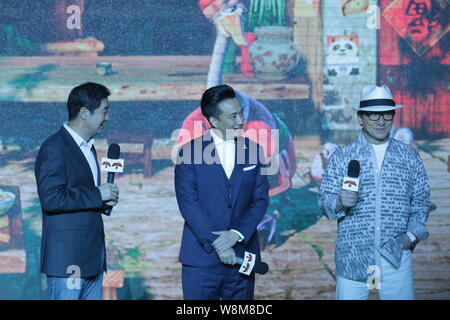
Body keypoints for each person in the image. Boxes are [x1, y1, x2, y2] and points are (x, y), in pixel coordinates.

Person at [318, 85, 431, 300]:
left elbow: (421, 203)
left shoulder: (409, 156)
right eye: (373, 114)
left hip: (395, 256)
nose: (381, 121)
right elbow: (324, 202)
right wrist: (340, 201)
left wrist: (409, 237)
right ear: (361, 118)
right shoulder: (342, 156)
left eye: (387, 114)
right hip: (353, 256)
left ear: (393, 116)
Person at [174, 84, 269, 300]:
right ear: (214, 121)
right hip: (201, 260)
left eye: (241, 113)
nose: (240, 121)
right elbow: (188, 204)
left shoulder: (254, 151)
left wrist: (235, 235)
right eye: (233, 116)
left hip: (242, 257)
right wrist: (219, 245)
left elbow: (260, 200)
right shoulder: (188, 153)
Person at [34, 82, 119, 300]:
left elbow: (82, 197)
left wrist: (103, 201)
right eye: (104, 111)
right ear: (84, 113)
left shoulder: (88, 147)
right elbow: (51, 198)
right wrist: (98, 194)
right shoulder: (54, 147)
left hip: (92, 260)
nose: (107, 117)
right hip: (67, 261)